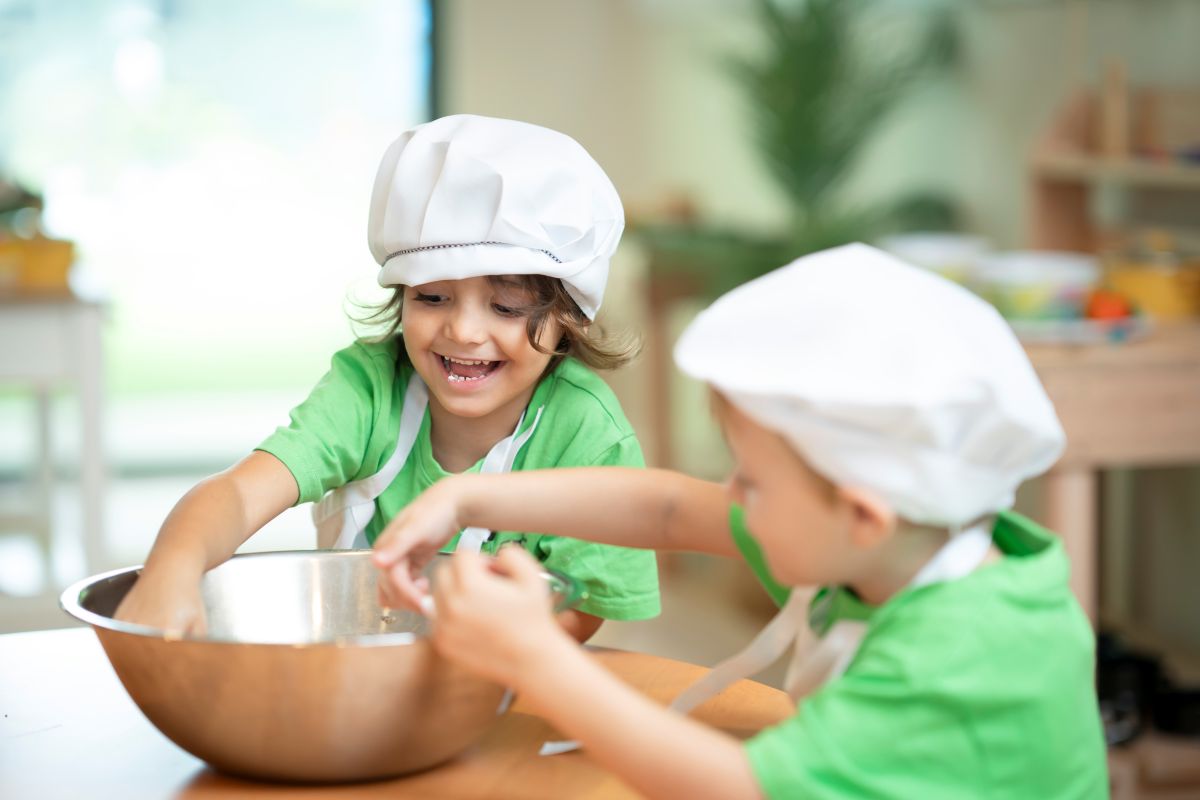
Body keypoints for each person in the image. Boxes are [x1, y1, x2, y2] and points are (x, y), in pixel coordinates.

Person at [372, 243, 1109, 799]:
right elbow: (663, 507)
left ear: (861, 514)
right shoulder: (896, 545)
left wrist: (536, 656)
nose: (731, 493)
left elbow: (736, 787)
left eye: (750, 480)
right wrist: (468, 500)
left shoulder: (963, 660)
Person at [116, 114, 660, 641]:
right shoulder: (370, 388)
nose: (465, 331)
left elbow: (584, 609)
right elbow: (238, 494)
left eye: (508, 305)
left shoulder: (591, 435)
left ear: (569, 315)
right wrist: (172, 569)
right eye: (432, 297)